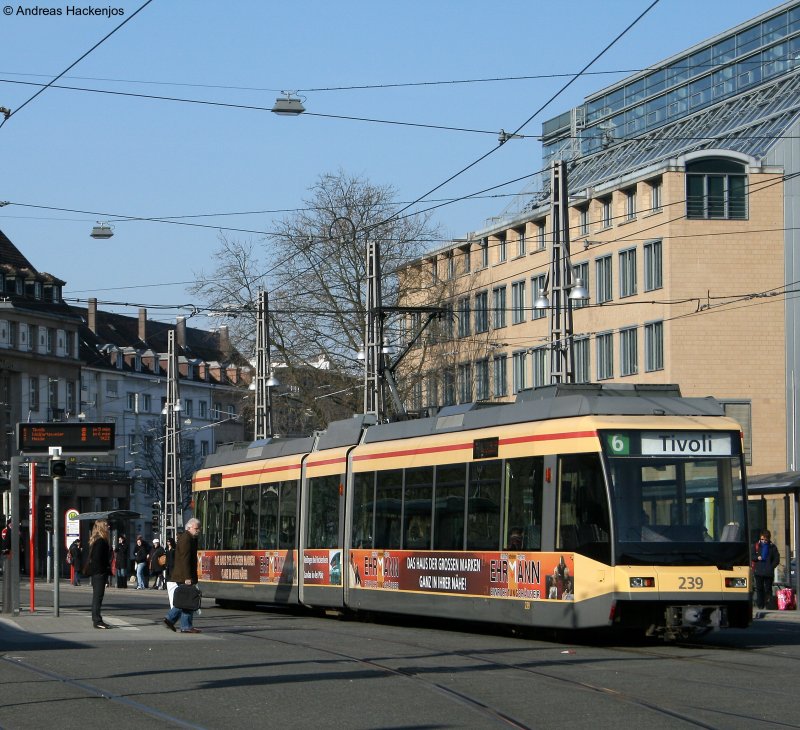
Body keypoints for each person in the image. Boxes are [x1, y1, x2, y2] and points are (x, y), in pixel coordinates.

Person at [164, 518, 202, 634]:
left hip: (184, 574)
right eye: (196, 528)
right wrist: (187, 577)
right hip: (184, 575)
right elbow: (185, 560)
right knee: (187, 600)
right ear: (189, 527)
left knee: (186, 600)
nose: (198, 530)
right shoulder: (186, 539)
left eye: (199, 528)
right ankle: (182, 624)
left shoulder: (190, 538)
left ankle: (173, 620)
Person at [86, 519, 112, 629]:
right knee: (98, 597)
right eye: (106, 525)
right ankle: (97, 620)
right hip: (99, 573)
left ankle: (97, 619)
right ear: (101, 527)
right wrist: (103, 570)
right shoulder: (101, 541)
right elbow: (98, 559)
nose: (108, 527)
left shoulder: (96, 540)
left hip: (97, 572)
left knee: (97, 597)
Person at [753, 529, 780, 610]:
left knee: (768, 589)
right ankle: (760, 605)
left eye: (765, 539)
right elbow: (752, 556)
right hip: (759, 571)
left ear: (768, 539)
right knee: (759, 589)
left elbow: (776, 559)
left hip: (768, 572)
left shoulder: (772, 547)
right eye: (762, 539)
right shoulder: (756, 546)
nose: (763, 541)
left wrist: (771, 567)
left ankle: (768, 604)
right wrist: (757, 557)